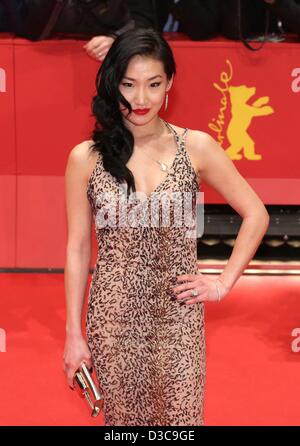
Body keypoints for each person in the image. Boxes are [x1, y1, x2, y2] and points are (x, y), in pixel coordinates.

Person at [63, 28, 270, 426]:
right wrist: (74, 334)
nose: (141, 99)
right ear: (113, 84)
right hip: (114, 320)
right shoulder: (85, 158)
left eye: (153, 84)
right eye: (129, 84)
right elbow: (77, 247)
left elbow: (256, 214)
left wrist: (222, 283)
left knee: (182, 424)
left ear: (170, 83)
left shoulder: (197, 148)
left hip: (179, 322)